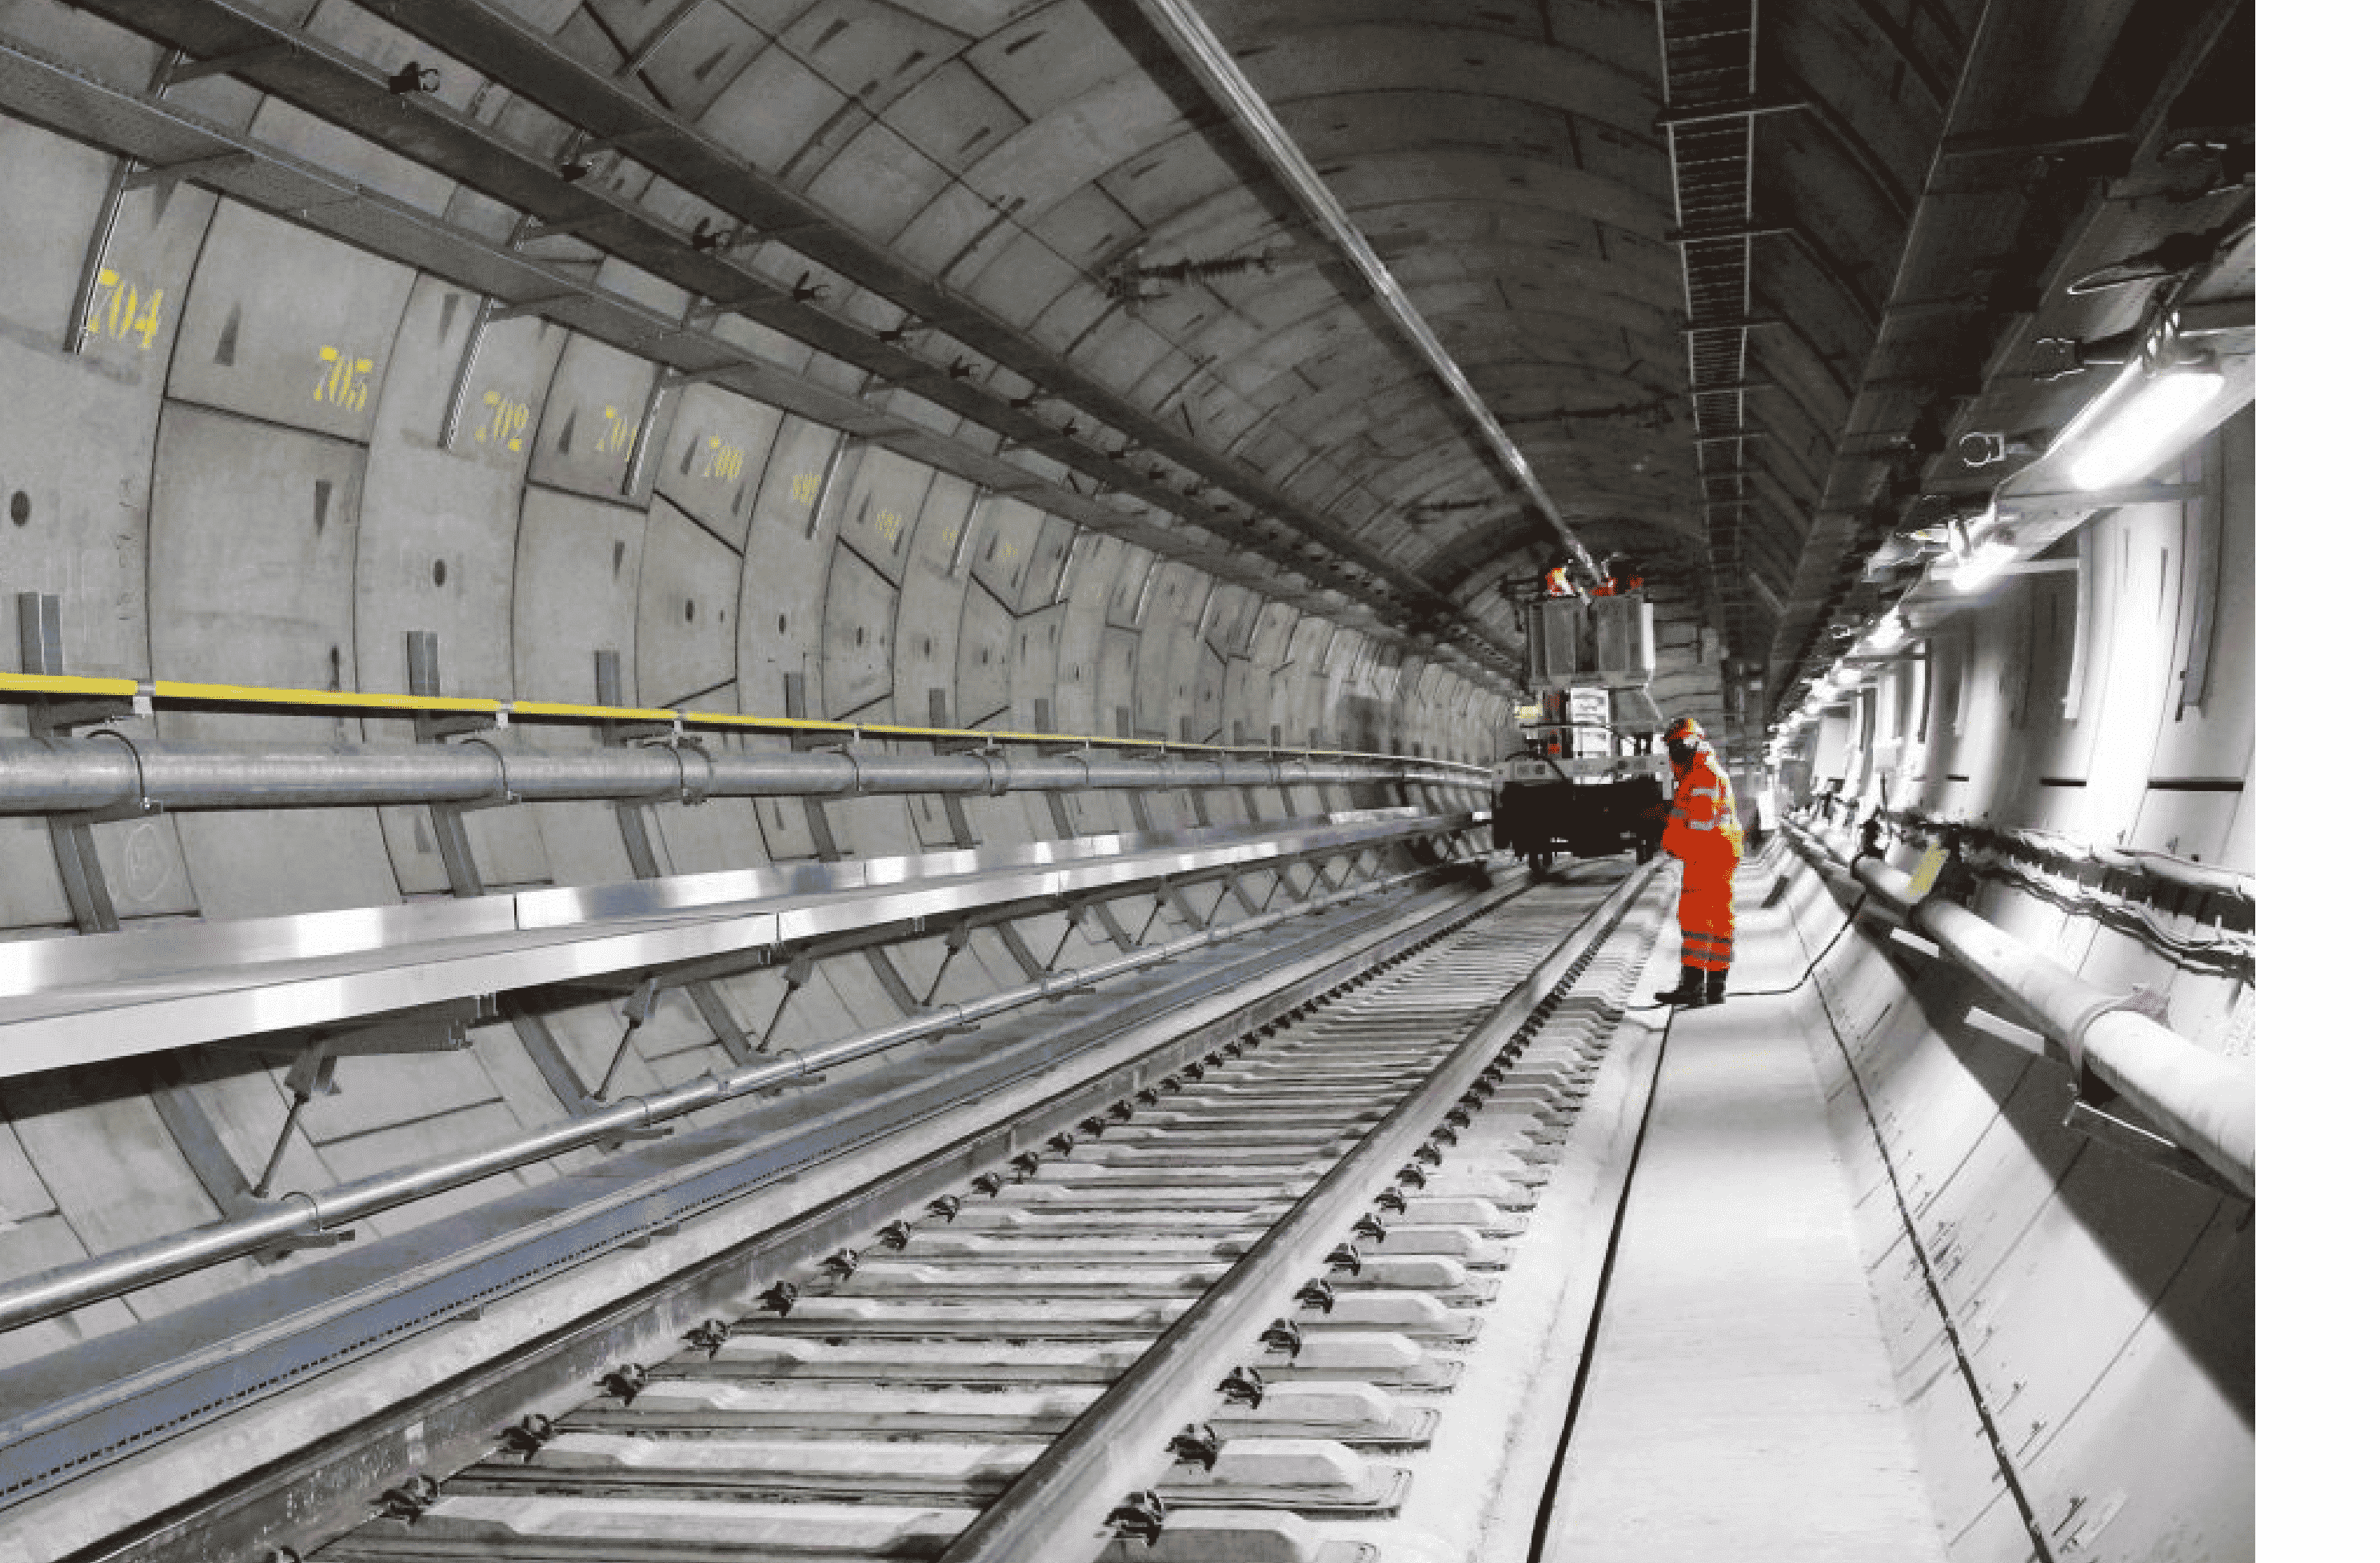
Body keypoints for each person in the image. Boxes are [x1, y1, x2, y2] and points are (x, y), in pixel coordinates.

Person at [1653, 715, 1743, 1008]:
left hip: (1706, 856)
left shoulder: (1702, 775)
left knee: (1696, 919)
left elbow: (1699, 827)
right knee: (1717, 919)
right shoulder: (1704, 771)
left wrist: (1673, 844)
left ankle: (1693, 986)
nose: (1673, 754)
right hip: (1717, 854)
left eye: (1675, 747)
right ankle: (1715, 986)